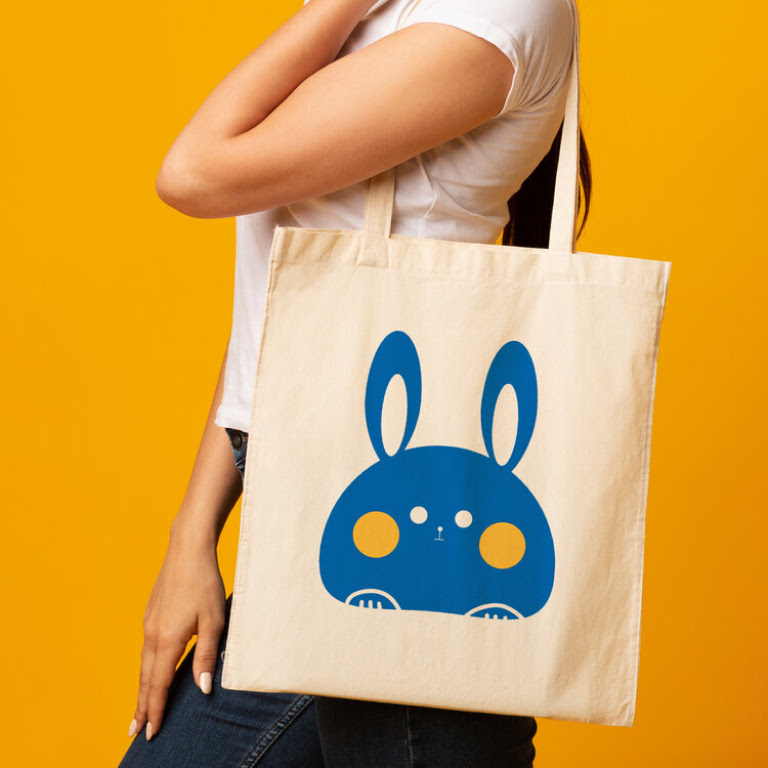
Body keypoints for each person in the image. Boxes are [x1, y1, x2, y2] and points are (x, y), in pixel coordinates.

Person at [118, 0, 591, 765]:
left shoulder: (501, 12)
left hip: (422, 542)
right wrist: (193, 531)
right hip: (313, 520)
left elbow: (193, 172)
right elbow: (292, 308)